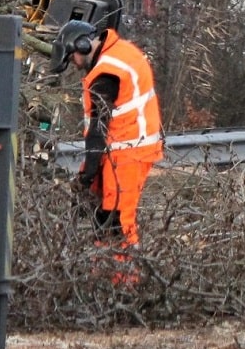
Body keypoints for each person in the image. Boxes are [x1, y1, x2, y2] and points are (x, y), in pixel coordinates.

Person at [51, 19, 163, 251]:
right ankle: (104, 273)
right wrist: (88, 174)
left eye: (72, 57)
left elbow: (97, 130)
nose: (75, 63)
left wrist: (87, 175)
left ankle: (121, 280)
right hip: (123, 149)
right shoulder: (118, 54)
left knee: (116, 224)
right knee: (104, 218)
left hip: (128, 153)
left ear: (82, 45)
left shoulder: (106, 73)